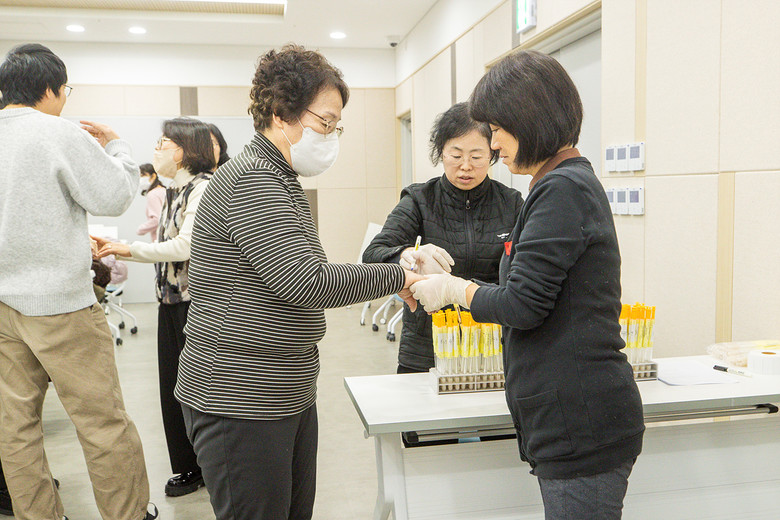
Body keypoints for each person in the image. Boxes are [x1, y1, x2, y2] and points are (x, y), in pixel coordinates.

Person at [174, 44, 422, 520]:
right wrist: (400, 274)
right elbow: (308, 282)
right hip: (241, 395)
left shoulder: (280, 178)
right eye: (325, 122)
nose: (330, 136)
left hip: (284, 387)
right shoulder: (252, 179)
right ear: (281, 114)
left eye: (336, 125)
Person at [410, 50, 645, 519]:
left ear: (530, 119)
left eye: (497, 129)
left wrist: (454, 290)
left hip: (581, 419)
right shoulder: (556, 184)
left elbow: (523, 304)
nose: (494, 143)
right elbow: (529, 289)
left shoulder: (562, 189)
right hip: (571, 418)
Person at [0, 43, 156, 520]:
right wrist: (118, 147)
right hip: (62, 306)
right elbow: (114, 195)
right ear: (49, 88)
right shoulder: (57, 132)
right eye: (66, 90)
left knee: (15, 428)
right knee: (101, 423)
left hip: (3, 309)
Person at [95, 117, 215, 498]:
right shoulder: (172, 189)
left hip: (194, 305)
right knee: (171, 387)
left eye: (164, 143)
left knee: (195, 389)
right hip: (170, 301)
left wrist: (128, 249)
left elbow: (185, 246)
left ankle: (204, 464)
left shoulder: (202, 188)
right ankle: (188, 465)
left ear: (184, 150)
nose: (157, 149)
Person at [363, 102, 523, 373]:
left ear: (493, 155)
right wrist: (405, 255)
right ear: (441, 153)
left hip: (490, 346)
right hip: (425, 349)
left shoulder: (511, 203)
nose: (466, 167)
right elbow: (373, 254)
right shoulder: (419, 200)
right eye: (456, 155)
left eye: (477, 157)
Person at [136, 163, 166, 241]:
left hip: (159, 240)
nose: (141, 179)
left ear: (153, 176)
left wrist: (140, 229)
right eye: (140, 176)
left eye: (143, 175)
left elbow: (156, 220)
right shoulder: (163, 190)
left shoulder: (153, 194)